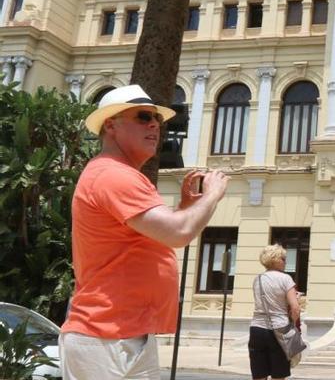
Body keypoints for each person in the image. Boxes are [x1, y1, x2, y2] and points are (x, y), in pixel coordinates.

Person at [60, 84, 228, 380]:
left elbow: (156, 237)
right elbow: (179, 234)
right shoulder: (114, 174)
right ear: (111, 125)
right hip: (106, 339)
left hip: (122, 337)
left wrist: (185, 207)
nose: (154, 125)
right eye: (142, 116)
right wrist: (213, 194)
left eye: (157, 120)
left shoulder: (118, 174)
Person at [249, 244, 302, 380]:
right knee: (279, 375)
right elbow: (295, 307)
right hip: (280, 329)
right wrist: (294, 324)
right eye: (283, 258)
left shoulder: (258, 279)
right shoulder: (285, 279)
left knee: (259, 375)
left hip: (257, 329)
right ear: (276, 260)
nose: (285, 262)